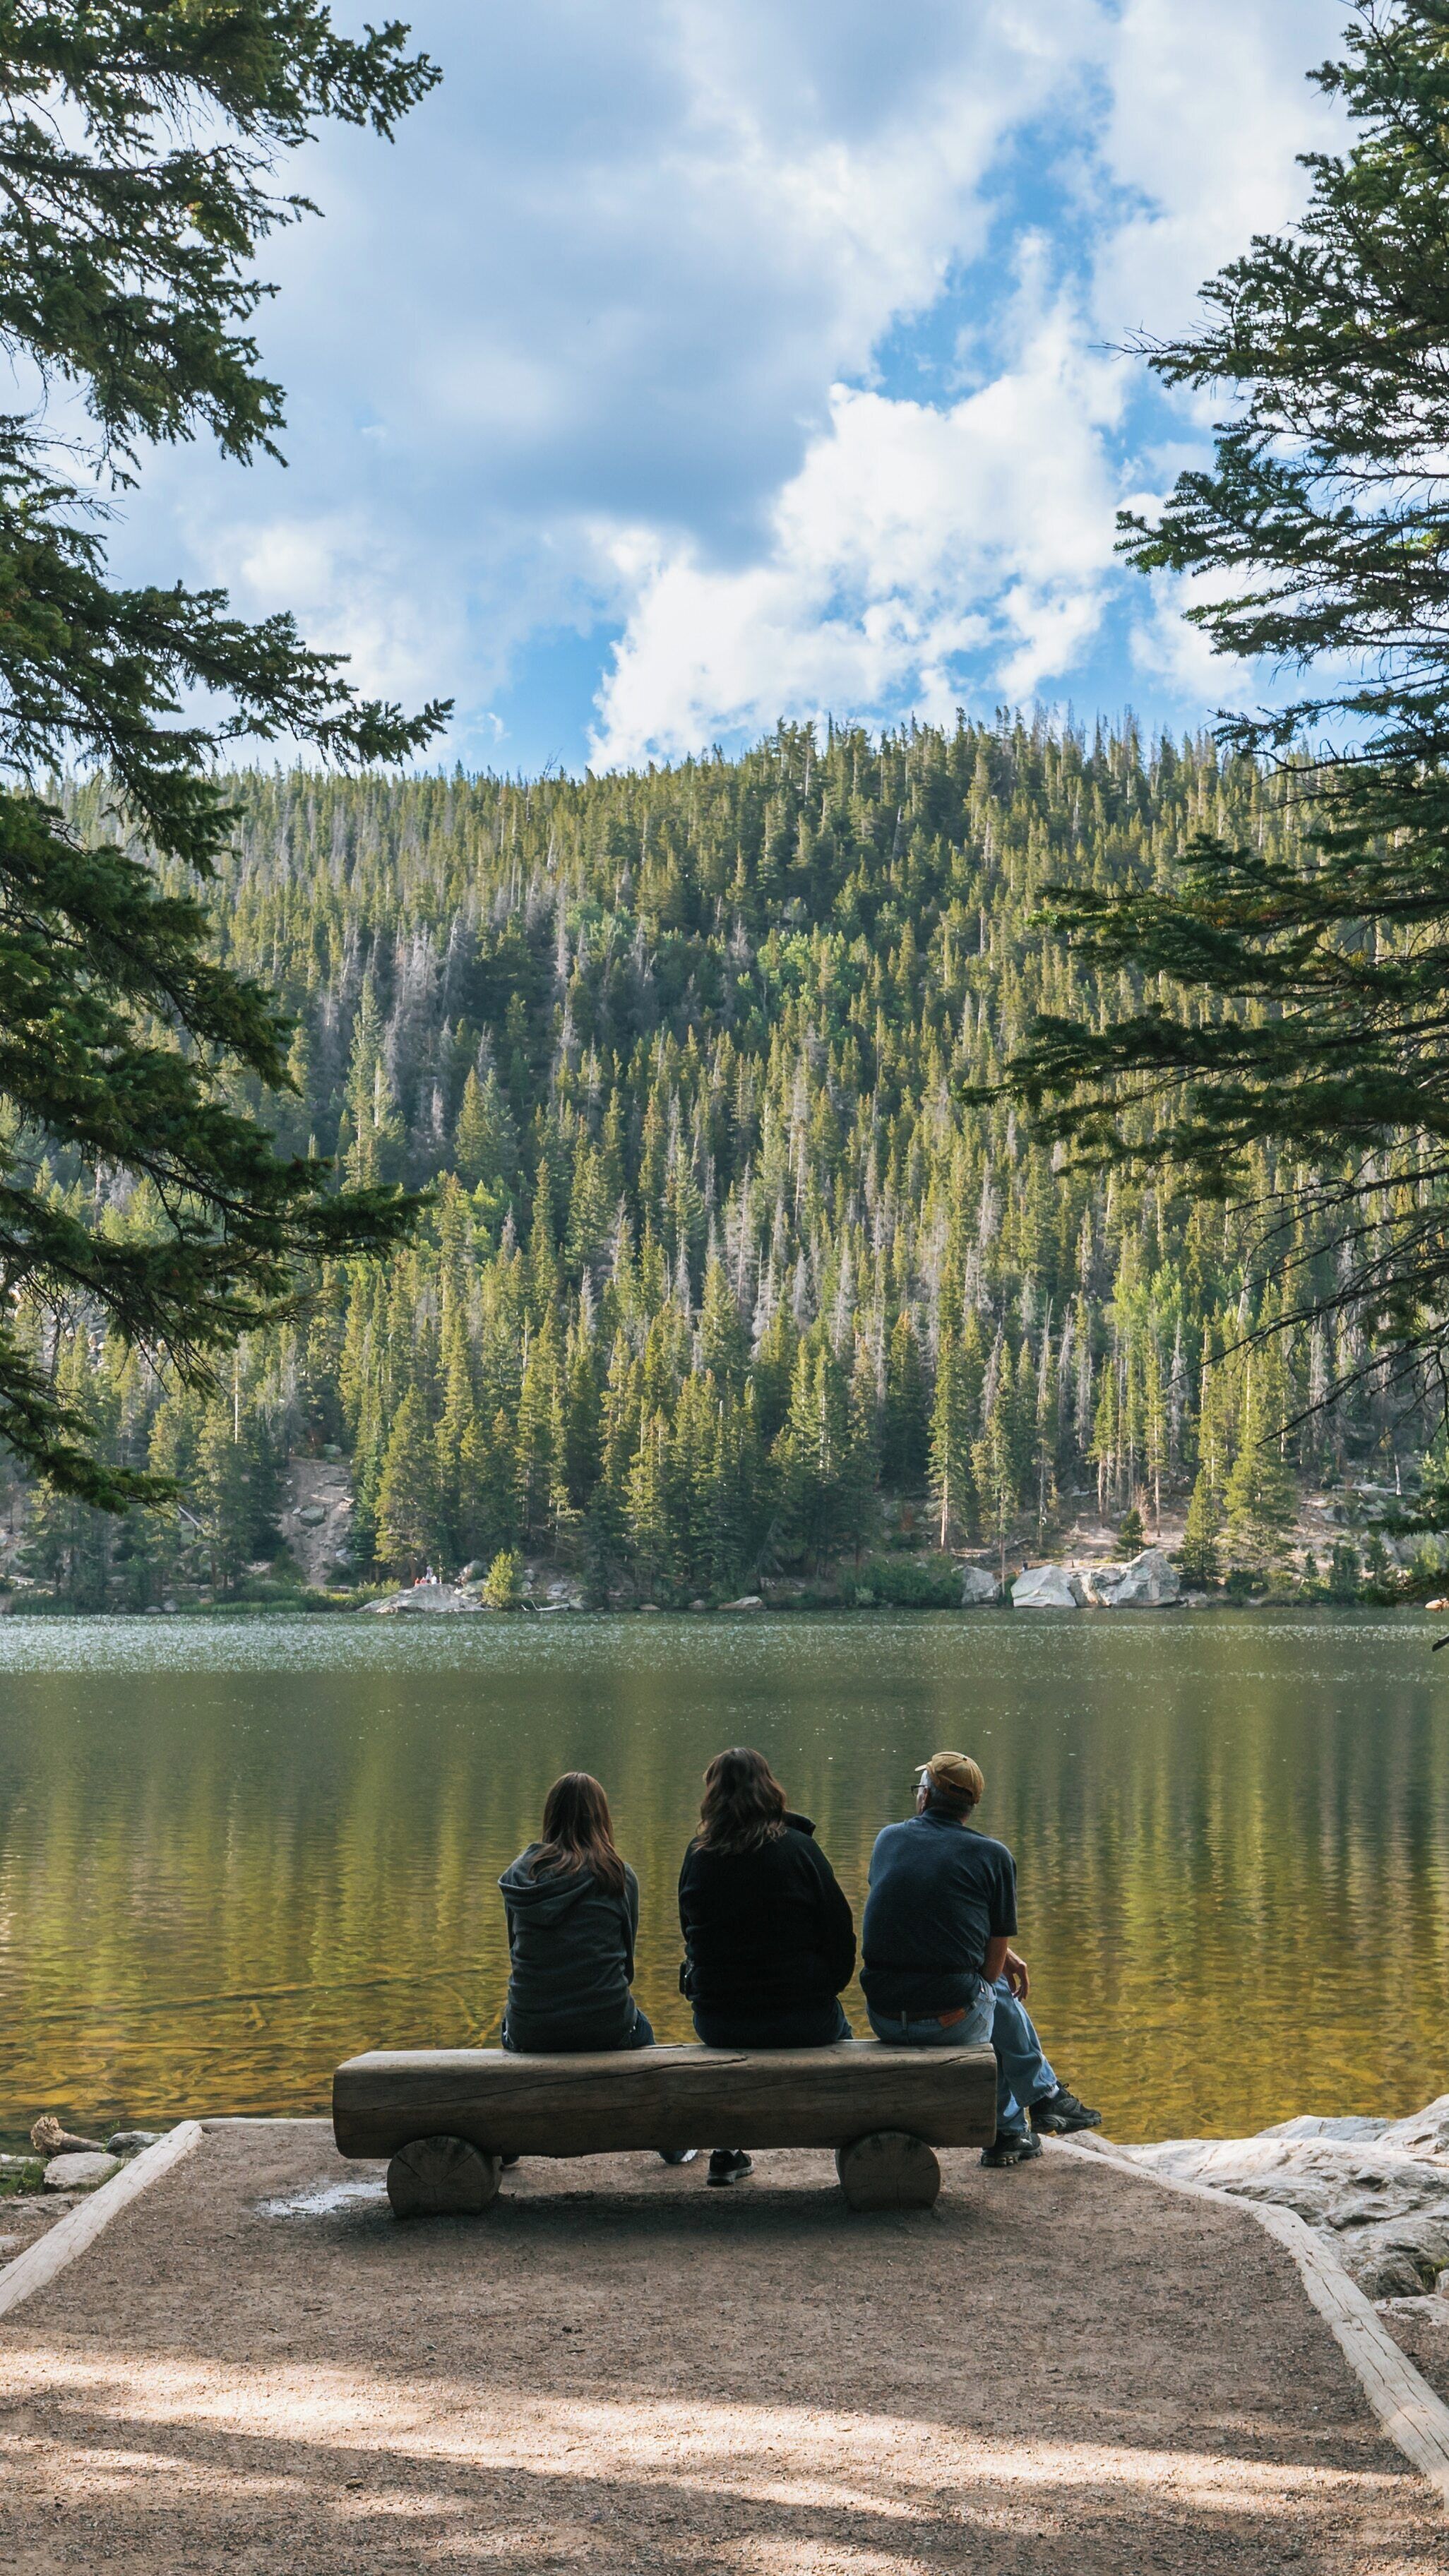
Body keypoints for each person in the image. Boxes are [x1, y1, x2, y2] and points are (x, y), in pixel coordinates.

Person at [860, 1749, 1100, 2167]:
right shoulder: (993, 1857)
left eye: (921, 1786)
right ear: (970, 1808)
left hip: (883, 2013)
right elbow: (988, 1976)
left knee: (988, 1996)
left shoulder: (889, 1840)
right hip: (945, 2022)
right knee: (996, 1995)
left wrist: (993, 1954)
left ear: (926, 1797)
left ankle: (1019, 2124)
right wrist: (998, 1954)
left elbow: (914, 1912)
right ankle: (1038, 2102)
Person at [679, 1746, 856, 2186]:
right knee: (845, 2039)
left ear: (712, 1796)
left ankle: (726, 2149)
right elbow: (841, 1931)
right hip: (805, 2021)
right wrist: (824, 1988)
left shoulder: (698, 1856)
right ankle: (853, 2139)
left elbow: (690, 1935)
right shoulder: (800, 1851)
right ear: (770, 1789)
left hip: (720, 2023)